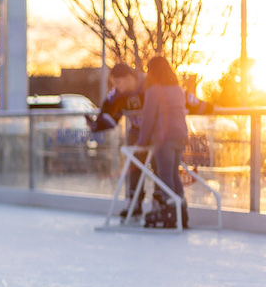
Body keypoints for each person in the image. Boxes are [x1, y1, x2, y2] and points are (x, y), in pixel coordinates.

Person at [87, 61, 213, 220]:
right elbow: (108, 111)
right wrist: (96, 125)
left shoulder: (151, 84)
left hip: (157, 135)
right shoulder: (117, 94)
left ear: (128, 77)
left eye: (117, 82)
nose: (116, 87)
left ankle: (162, 204)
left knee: (161, 171)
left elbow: (180, 98)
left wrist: (209, 107)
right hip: (137, 135)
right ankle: (135, 203)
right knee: (134, 168)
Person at [137, 56, 190, 229]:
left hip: (164, 137)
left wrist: (142, 141)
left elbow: (148, 117)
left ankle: (169, 209)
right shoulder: (177, 89)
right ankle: (181, 209)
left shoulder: (154, 90)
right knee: (173, 173)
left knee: (164, 174)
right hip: (180, 136)